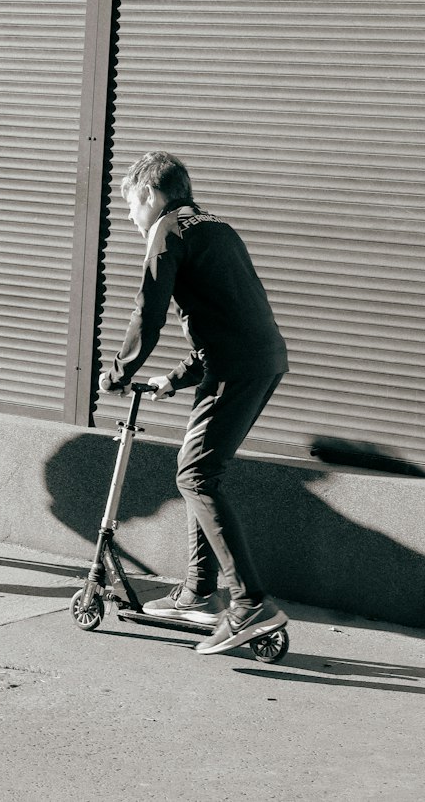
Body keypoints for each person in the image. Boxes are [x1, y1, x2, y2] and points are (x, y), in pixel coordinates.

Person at [98, 151, 289, 655]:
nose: (132, 219)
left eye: (130, 207)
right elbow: (226, 314)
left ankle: (249, 605)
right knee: (200, 471)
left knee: (195, 475)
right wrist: (176, 378)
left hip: (235, 368)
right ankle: (198, 592)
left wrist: (119, 373)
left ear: (150, 195)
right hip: (257, 360)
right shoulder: (215, 225)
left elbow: (150, 309)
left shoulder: (168, 230)